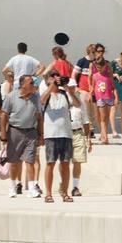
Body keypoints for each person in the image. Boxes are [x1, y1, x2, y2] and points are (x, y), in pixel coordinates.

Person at [2, 72, 42, 197]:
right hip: (15, 131)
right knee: (14, 161)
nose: (34, 85)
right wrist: (3, 134)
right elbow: (3, 115)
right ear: (23, 84)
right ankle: (13, 185)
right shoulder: (11, 97)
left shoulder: (36, 97)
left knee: (30, 160)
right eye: (31, 83)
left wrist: (41, 135)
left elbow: (39, 117)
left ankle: (31, 188)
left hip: (31, 132)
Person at [39, 70, 75, 204]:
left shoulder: (64, 94)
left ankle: (65, 192)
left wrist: (67, 88)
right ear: (47, 80)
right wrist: (51, 86)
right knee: (50, 163)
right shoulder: (46, 94)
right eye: (52, 76)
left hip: (66, 134)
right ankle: (48, 194)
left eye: (57, 76)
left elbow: (77, 104)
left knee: (65, 164)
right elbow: (41, 100)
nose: (56, 78)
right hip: (51, 135)